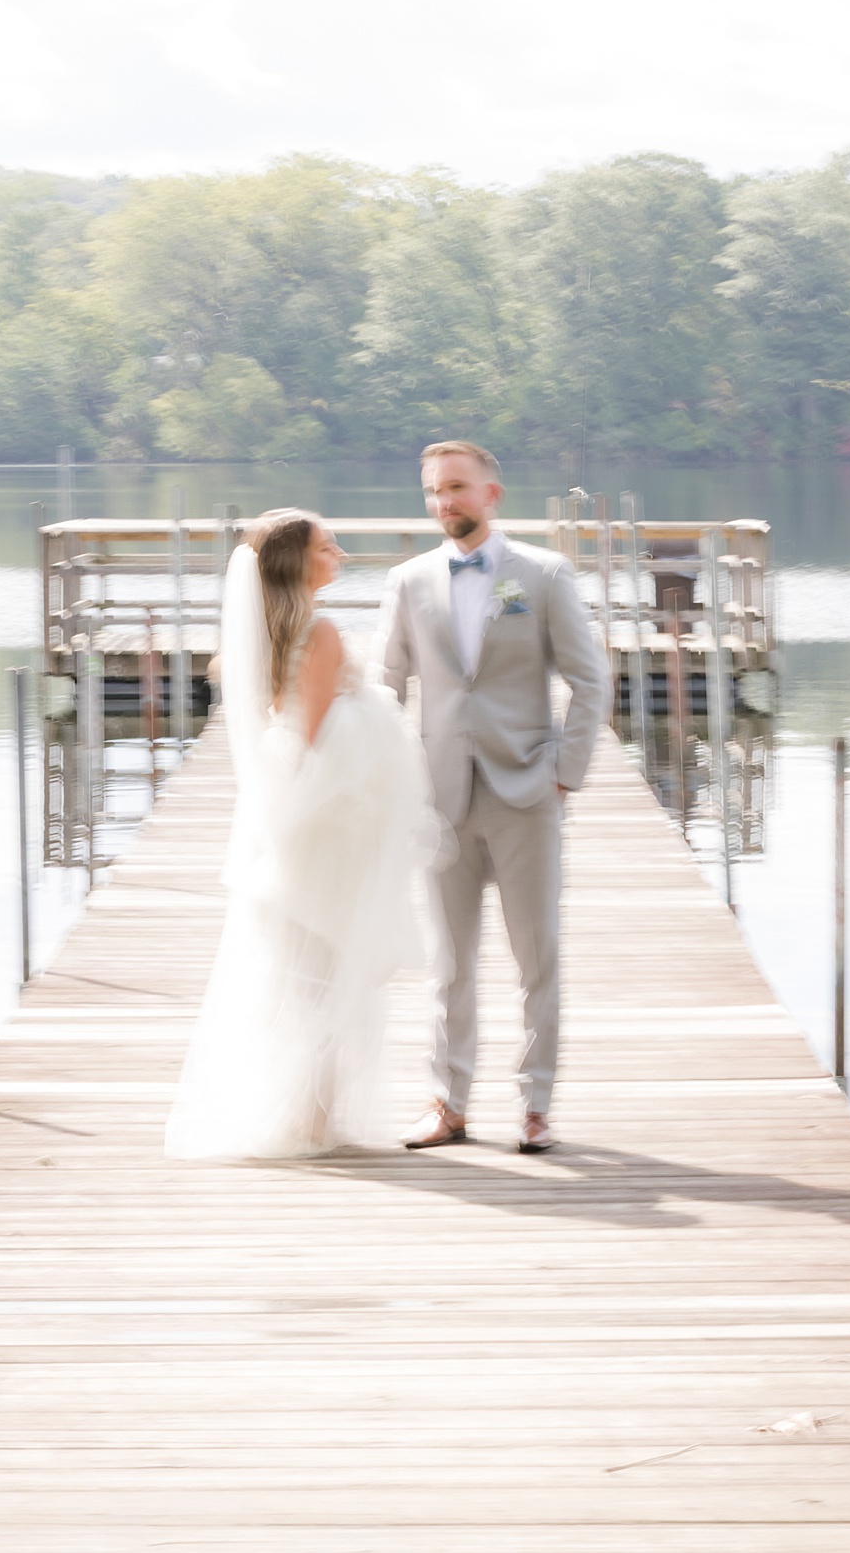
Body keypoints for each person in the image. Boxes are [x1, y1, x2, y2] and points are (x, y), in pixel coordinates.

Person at [164, 510, 432, 1161]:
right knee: (329, 970)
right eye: (325, 545)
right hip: (325, 826)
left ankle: (304, 1112)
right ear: (296, 562)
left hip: (297, 814)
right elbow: (315, 739)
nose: (339, 551)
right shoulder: (319, 634)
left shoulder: (264, 637)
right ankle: (311, 1119)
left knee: (303, 969)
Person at [381, 441, 609, 1156]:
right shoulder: (408, 580)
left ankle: (535, 1104)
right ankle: (449, 1102)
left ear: (491, 495)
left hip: (526, 793)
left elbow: (591, 680)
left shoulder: (543, 575)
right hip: (439, 800)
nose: (444, 502)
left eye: (456, 488)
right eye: (433, 491)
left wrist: (564, 774)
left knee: (536, 957)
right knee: (448, 963)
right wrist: (389, 779)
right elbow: (386, 686)